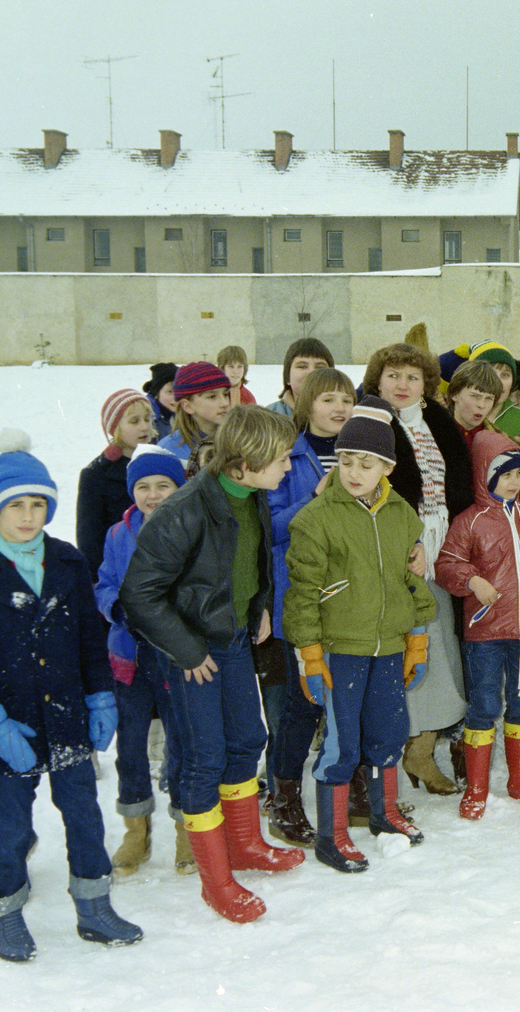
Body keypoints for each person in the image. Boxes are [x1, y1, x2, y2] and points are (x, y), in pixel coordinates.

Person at [0, 432, 141, 960]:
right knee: (8, 827)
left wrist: (100, 699)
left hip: (67, 716)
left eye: (37, 505)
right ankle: (4, 911)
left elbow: (91, 643)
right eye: (14, 506)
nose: (27, 517)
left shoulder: (68, 563)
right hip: (9, 727)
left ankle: (94, 906)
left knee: (83, 814)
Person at [120, 406, 305, 924]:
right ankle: (215, 880)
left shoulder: (252, 496)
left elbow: (252, 558)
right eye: (281, 460)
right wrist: (186, 649)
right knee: (205, 757)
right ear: (243, 463)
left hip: (232, 639)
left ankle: (246, 845)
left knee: (248, 739)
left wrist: (261, 603)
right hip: (192, 654)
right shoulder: (185, 510)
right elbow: (139, 595)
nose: (287, 468)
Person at [286, 398, 436, 870]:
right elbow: (303, 593)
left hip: (389, 648)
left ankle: (385, 813)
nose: (354, 472)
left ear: (386, 467)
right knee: (340, 741)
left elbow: (411, 581)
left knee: (388, 731)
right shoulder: (315, 520)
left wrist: (417, 638)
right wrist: (310, 655)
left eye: (366, 463)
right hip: (340, 650)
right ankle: (330, 835)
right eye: (346, 461)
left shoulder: (402, 517)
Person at [365, 343, 478, 798]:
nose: (403, 385)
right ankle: (393, 763)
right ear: (378, 380)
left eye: (412, 377)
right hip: (393, 558)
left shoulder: (437, 423)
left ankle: (422, 750)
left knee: (440, 654)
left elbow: (460, 484)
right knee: (404, 658)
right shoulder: (370, 422)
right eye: (394, 375)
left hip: (439, 553)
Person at [437, 438, 520, 819]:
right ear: (484, 475)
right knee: (484, 704)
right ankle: (476, 787)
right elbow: (446, 564)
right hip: (486, 631)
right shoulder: (469, 521)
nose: (512, 482)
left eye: (517, 474)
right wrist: (472, 581)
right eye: (503, 474)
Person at [261, 366, 355, 845]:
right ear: (305, 404)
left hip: (350, 602)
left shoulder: (360, 454)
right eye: (326, 399)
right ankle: (284, 795)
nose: (338, 408)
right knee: (298, 708)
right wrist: (313, 501)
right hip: (297, 601)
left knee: (346, 701)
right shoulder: (286, 455)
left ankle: (348, 788)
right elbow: (269, 528)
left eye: (345, 399)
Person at [93, 444, 187, 875]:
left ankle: (189, 824)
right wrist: (117, 607)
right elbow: (105, 583)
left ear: (179, 488)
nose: (152, 495)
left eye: (163, 486)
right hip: (129, 656)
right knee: (130, 743)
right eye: (143, 486)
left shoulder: (191, 529)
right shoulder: (118, 534)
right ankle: (136, 827)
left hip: (175, 657)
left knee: (183, 740)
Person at [76, 389, 157, 579]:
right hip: (120, 571)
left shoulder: (158, 462)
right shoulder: (95, 475)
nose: (144, 427)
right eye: (134, 421)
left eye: (148, 419)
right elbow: (89, 540)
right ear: (115, 427)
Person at [159, 362, 232, 463]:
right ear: (188, 406)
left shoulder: (241, 441)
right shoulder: (167, 451)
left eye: (225, 394)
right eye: (212, 396)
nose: (225, 403)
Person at [266, 337, 336, 419]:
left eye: (320, 368)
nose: (311, 372)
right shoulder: (268, 417)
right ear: (287, 377)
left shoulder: (344, 414)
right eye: (302, 366)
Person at [447, 359, 505, 451]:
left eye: (489, 398)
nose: (481, 405)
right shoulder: (433, 430)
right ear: (455, 394)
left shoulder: (499, 440)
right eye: (475, 396)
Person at [142, 362, 178, 441]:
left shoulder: (184, 414)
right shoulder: (147, 419)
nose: (176, 398)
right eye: (169, 392)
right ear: (156, 394)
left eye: (179, 391)